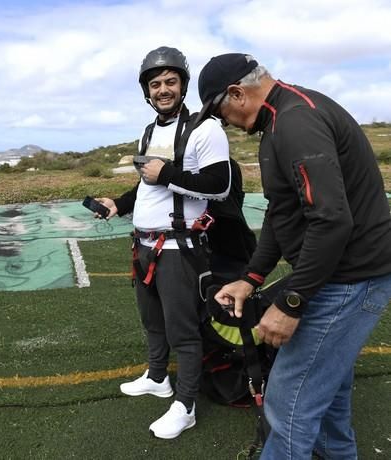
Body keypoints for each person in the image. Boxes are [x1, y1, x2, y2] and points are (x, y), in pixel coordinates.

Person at [198, 53, 391, 459]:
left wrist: (291, 301)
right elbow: (281, 213)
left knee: (287, 403)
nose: (224, 122)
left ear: (237, 93)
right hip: (340, 277)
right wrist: (251, 278)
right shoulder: (278, 124)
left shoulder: (296, 123)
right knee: (329, 393)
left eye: (220, 112)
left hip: (350, 280)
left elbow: (332, 221)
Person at [95, 46, 231, 439]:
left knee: (182, 331)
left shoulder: (205, 129)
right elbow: (146, 183)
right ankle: (158, 378)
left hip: (178, 248)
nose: (163, 89)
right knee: (152, 322)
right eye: (155, 84)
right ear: (147, 91)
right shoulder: (150, 131)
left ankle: (185, 405)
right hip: (143, 245)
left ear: (183, 85)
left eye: (171, 81)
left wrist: (167, 172)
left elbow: (219, 185)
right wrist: (118, 205)